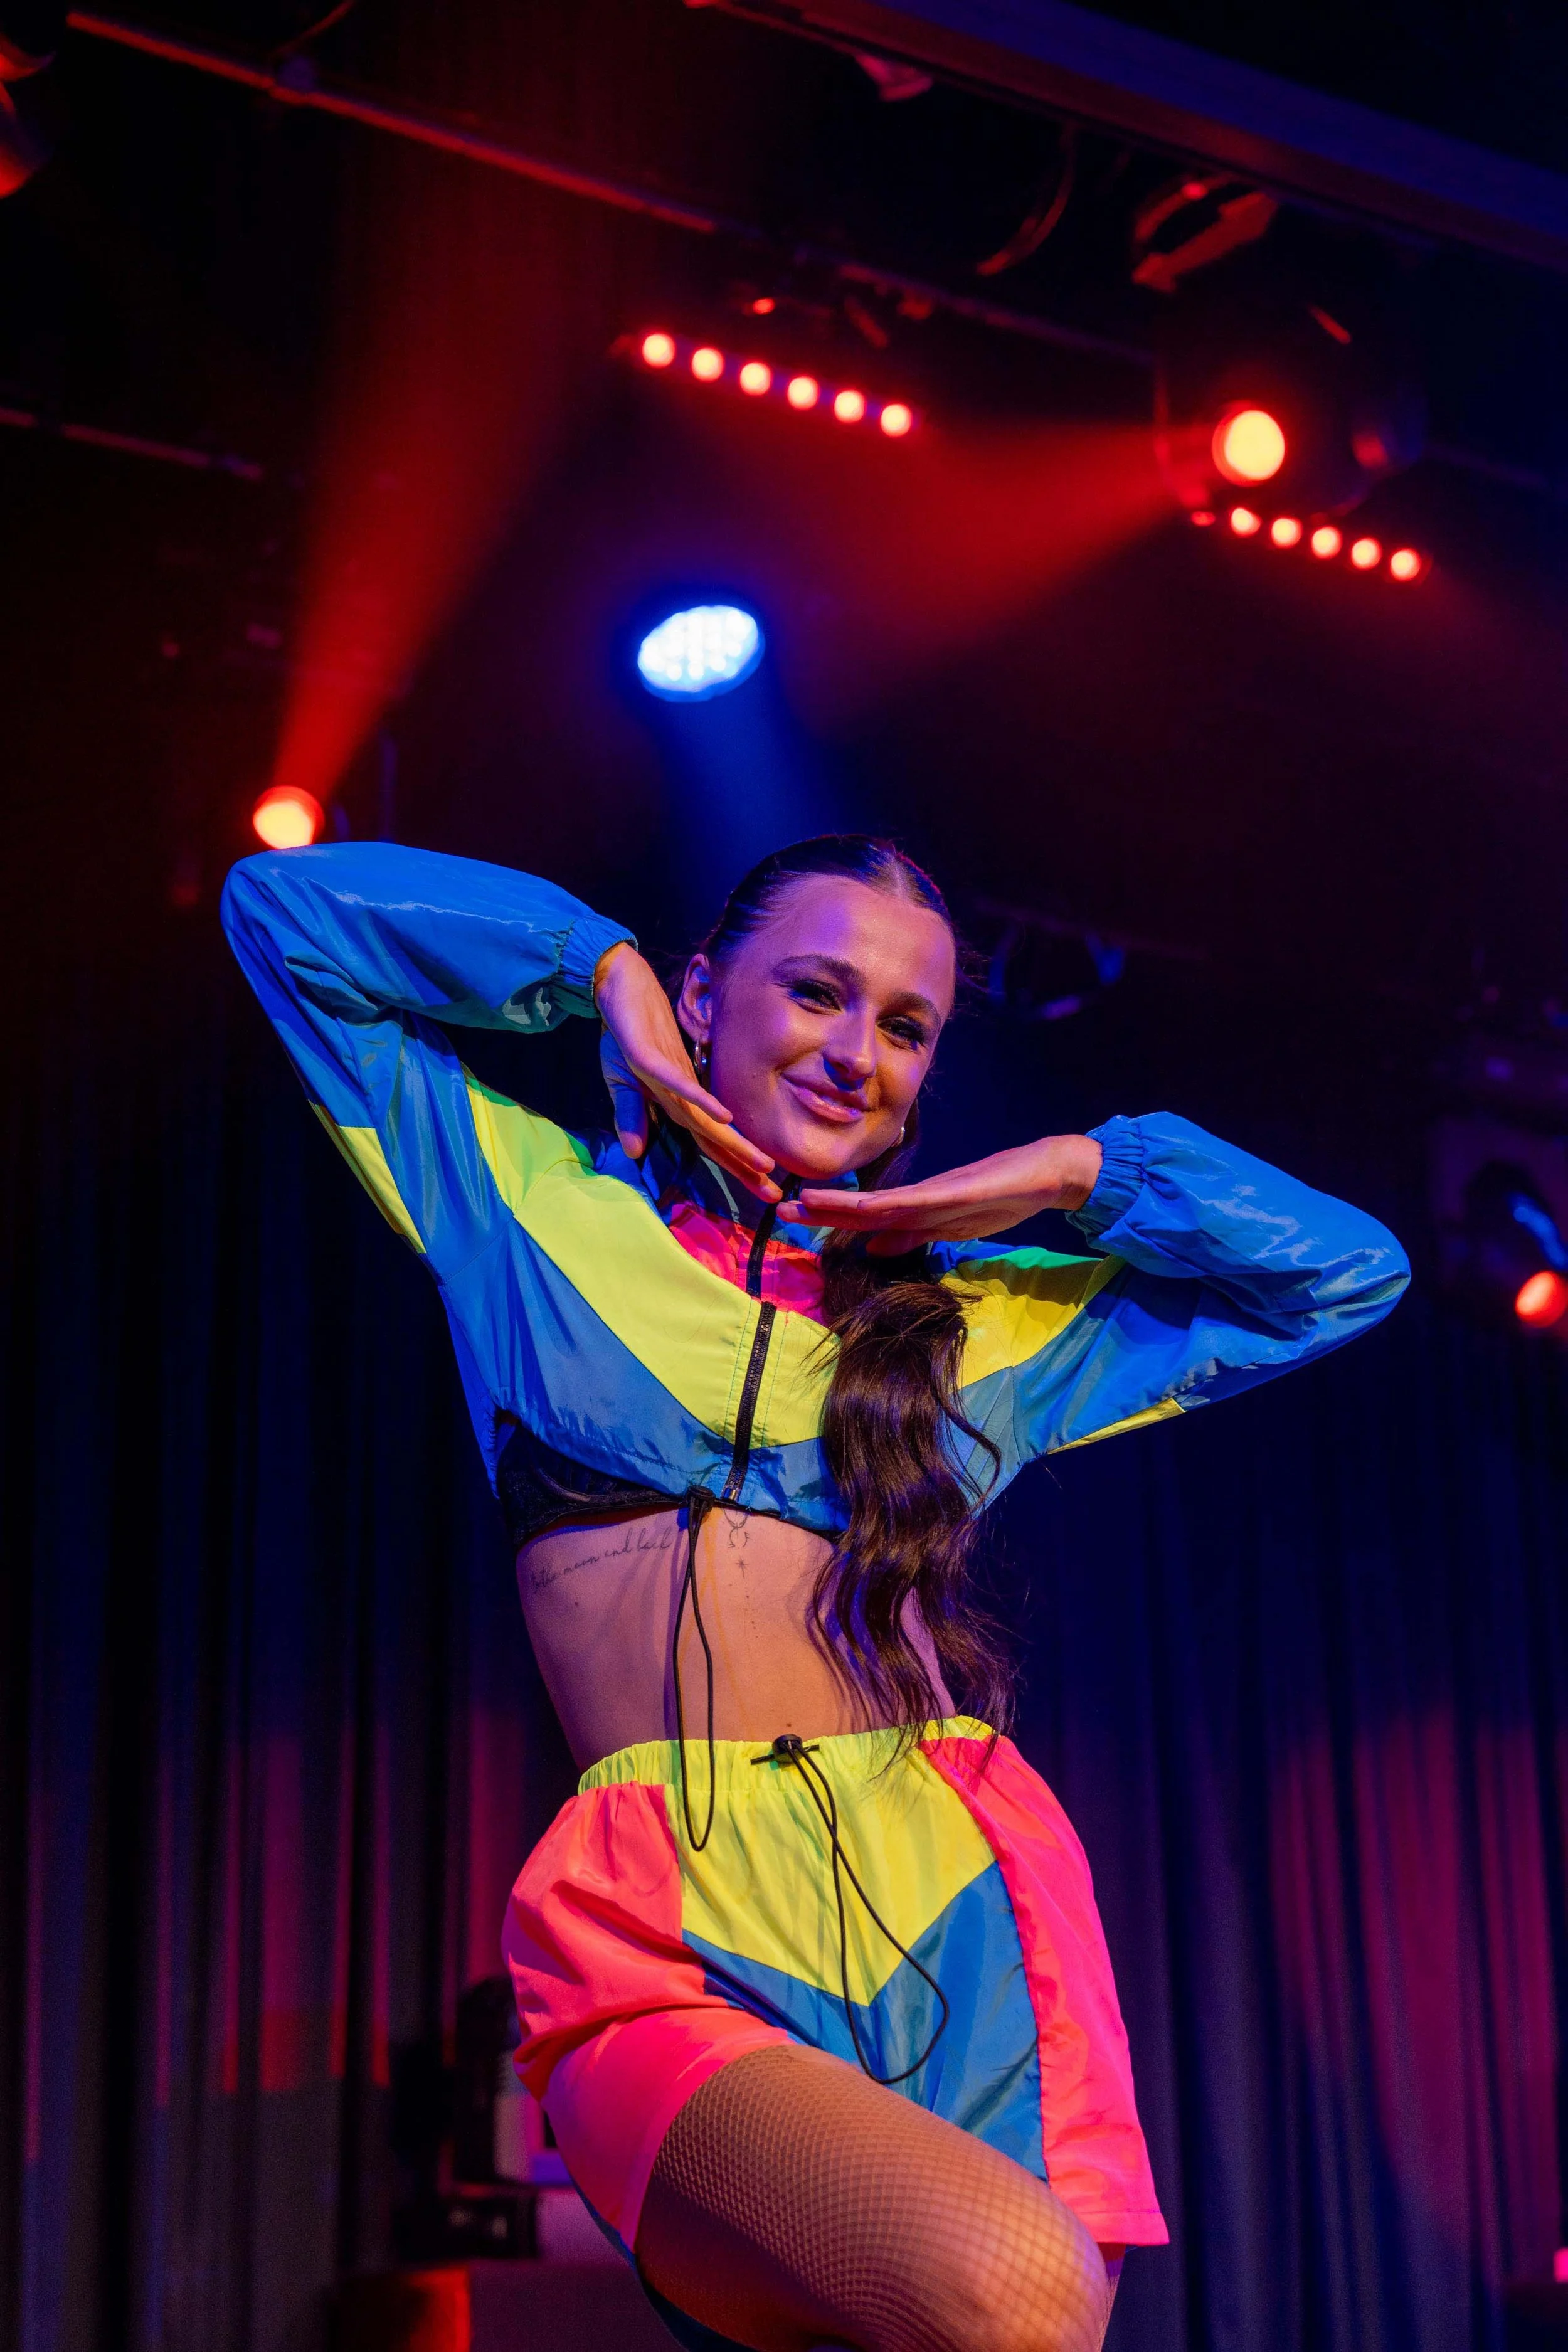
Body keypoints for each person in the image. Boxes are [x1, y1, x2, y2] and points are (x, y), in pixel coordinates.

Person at [222, 833, 1408, 2352]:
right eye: (814, 993)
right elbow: (283, 916)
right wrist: (601, 977)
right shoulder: (529, 1217)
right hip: (665, 1923)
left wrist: (1070, 1174)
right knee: (1016, 2294)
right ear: (709, 993)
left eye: (905, 1027)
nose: (857, 1053)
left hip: (965, 1918)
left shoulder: (982, 1324)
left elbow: (1345, 1274)